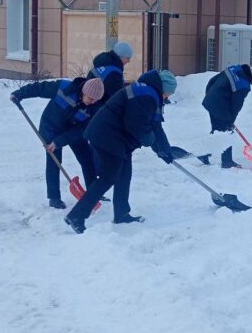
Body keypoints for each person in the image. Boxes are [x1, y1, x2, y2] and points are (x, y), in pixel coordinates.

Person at [64, 69, 177, 234]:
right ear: (163, 88)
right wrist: (152, 143)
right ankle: (76, 216)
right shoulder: (146, 96)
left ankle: (122, 213)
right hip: (107, 137)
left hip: (116, 138)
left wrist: (164, 150)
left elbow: (155, 126)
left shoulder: (147, 92)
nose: (167, 97)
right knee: (108, 178)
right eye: (168, 94)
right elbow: (137, 127)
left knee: (124, 174)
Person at [10, 76, 103, 209]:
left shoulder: (95, 107)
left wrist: (59, 141)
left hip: (74, 130)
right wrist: (19, 94)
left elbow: (82, 130)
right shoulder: (64, 87)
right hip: (51, 127)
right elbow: (39, 88)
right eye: (90, 98)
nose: (92, 102)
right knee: (54, 160)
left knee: (87, 159)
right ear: (84, 91)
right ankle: (54, 198)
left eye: (96, 100)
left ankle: (93, 193)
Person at [201, 63, 252, 168]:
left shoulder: (234, 68)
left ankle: (204, 154)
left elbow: (212, 80)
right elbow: (236, 105)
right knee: (227, 133)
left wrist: (209, 94)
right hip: (220, 105)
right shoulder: (243, 86)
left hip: (211, 100)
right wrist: (230, 121)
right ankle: (227, 162)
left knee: (217, 130)